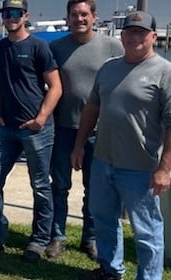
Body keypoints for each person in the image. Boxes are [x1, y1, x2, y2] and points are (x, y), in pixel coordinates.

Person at [73, 11, 171, 280]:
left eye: (141, 32)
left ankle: (149, 277)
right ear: (122, 35)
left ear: (153, 36)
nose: (135, 37)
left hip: (141, 168)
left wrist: (165, 168)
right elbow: (92, 108)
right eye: (130, 31)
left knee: (147, 231)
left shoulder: (164, 71)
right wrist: (79, 144)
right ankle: (110, 269)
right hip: (103, 160)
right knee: (103, 220)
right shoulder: (109, 67)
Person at [0, 0, 62, 263]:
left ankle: (39, 242)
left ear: (25, 16)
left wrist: (41, 119)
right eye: (7, 13)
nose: (11, 17)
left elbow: (55, 87)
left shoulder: (39, 47)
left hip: (37, 130)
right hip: (7, 129)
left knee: (41, 186)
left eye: (16, 13)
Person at [46, 0, 124, 260]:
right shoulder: (56, 48)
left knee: (95, 188)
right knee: (60, 185)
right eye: (74, 14)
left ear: (94, 17)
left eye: (84, 14)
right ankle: (57, 236)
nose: (79, 19)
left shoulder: (112, 46)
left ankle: (90, 237)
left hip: (98, 131)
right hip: (63, 128)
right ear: (67, 18)